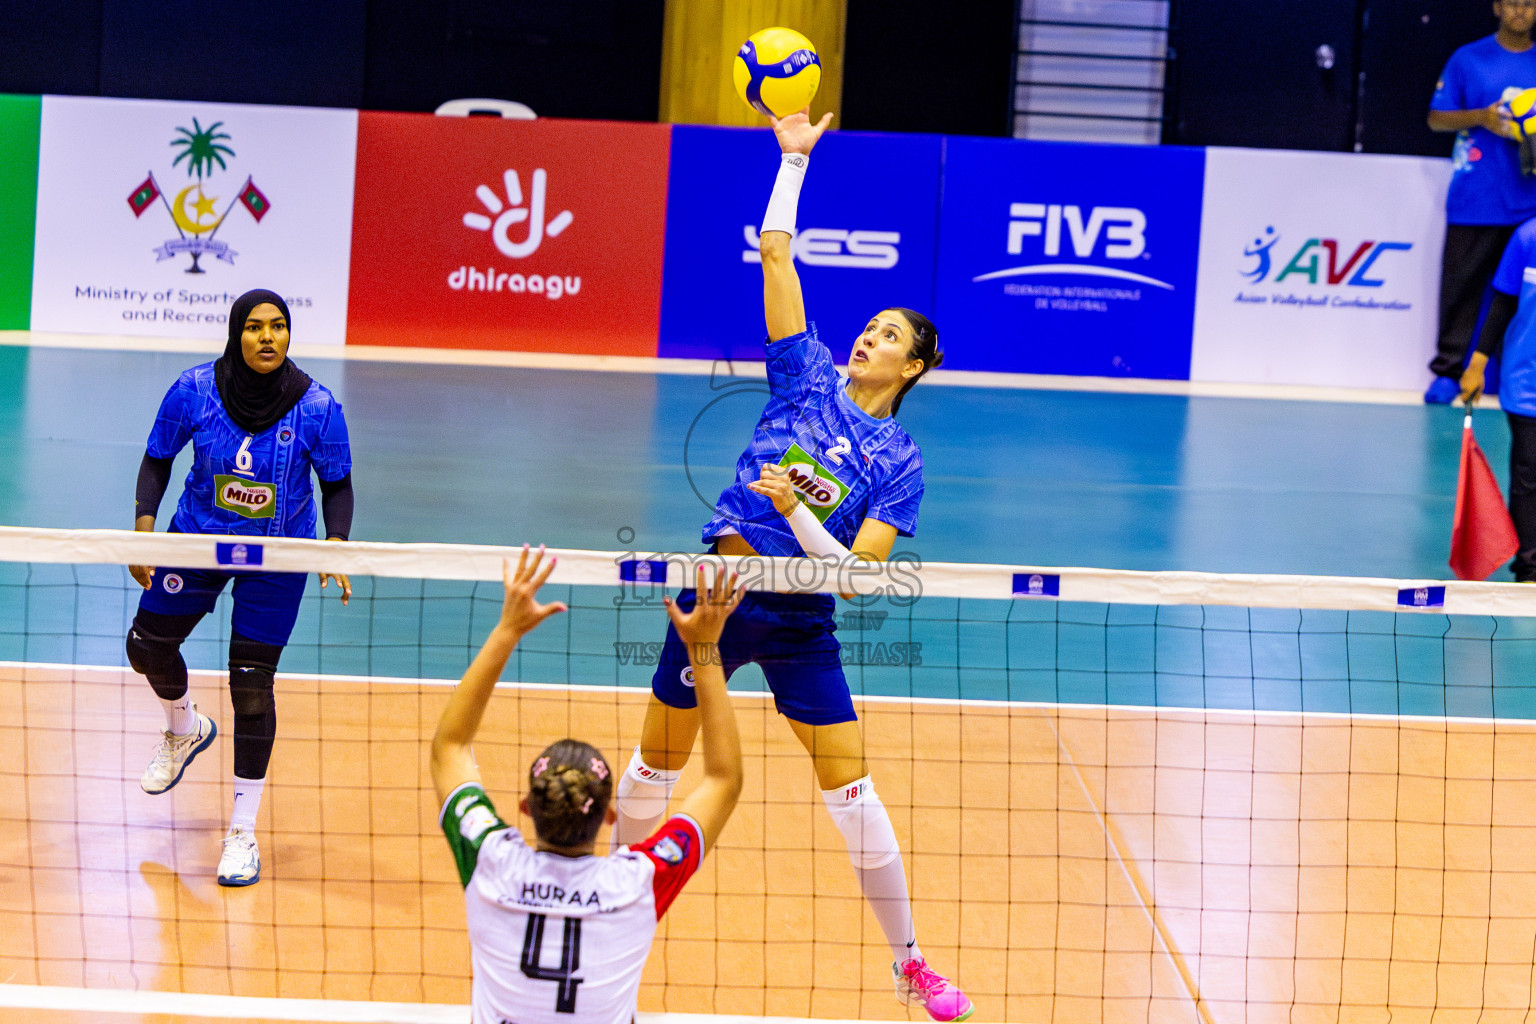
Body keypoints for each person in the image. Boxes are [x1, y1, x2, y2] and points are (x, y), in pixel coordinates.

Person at [607, 110, 971, 1023]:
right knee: (656, 770)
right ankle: (609, 913)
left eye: (890, 336)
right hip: (718, 599)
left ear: (916, 365)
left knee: (852, 789)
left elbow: (858, 574)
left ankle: (911, 962)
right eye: (871, 326)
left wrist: (798, 512)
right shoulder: (803, 375)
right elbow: (777, 257)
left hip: (804, 615)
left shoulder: (900, 461)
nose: (868, 338)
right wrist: (793, 160)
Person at [432, 549, 745, 1024]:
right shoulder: (636, 883)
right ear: (611, 816)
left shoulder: (491, 862)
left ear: (525, 808)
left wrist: (508, 629)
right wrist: (704, 646)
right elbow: (724, 779)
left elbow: (450, 747)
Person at [126, 288, 354, 886]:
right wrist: (144, 531)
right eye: (255, 327)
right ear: (236, 333)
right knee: (145, 647)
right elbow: (157, 459)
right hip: (198, 538)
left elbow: (338, 484)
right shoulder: (194, 389)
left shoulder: (318, 406)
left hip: (277, 555)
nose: (267, 337)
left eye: (278, 327)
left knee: (251, 687)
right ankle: (184, 728)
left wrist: (336, 543)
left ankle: (241, 833)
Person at [1425, 0, 1536, 403]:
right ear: (1497, 7)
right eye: (1513, 3)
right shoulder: (1468, 59)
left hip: (1530, 204)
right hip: (1477, 196)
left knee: (1524, 296)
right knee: (1461, 288)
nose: (1521, 10)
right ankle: (1447, 372)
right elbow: (1437, 118)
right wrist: (1483, 118)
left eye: (1529, 3)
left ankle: (1519, 379)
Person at [1460, 215, 1536, 577]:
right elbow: (1503, 304)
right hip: (1527, 384)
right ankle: (1530, 565)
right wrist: (1477, 363)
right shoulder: (1526, 238)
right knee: (1528, 474)